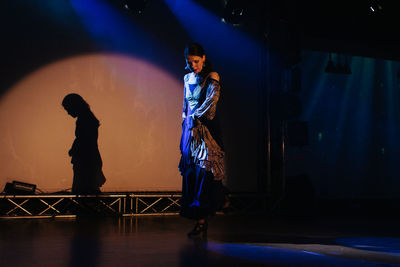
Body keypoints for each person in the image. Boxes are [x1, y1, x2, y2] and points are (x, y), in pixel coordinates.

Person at [179, 43, 226, 237]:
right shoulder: (187, 77)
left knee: (204, 174)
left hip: (206, 130)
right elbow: (184, 105)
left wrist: (195, 116)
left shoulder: (212, 76)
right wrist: (185, 123)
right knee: (191, 174)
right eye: (190, 62)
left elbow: (210, 103)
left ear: (204, 58)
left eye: (196, 61)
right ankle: (200, 220)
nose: (193, 66)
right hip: (190, 130)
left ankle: (215, 206)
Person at [62, 93, 106, 194]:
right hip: (89, 159)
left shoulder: (84, 119)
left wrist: (74, 150)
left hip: (86, 160)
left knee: (83, 191)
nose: (68, 112)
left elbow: (84, 140)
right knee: (88, 190)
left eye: (68, 109)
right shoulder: (87, 118)